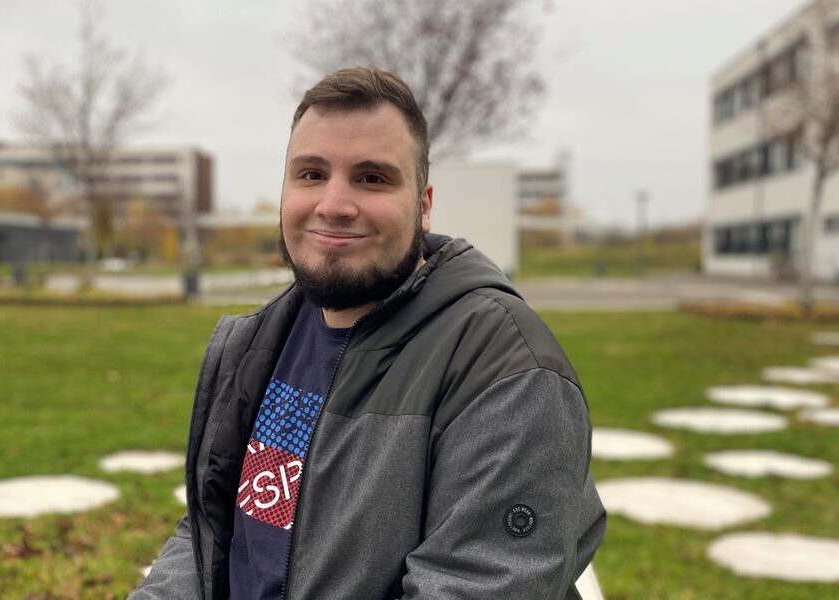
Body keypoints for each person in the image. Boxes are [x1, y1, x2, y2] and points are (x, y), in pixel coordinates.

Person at [131, 67, 605, 600]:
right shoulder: (261, 346)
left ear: (423, 207)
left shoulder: (507, 374)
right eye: (311, 174)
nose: (333, 204)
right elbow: (216, 532)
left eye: (372, 178)